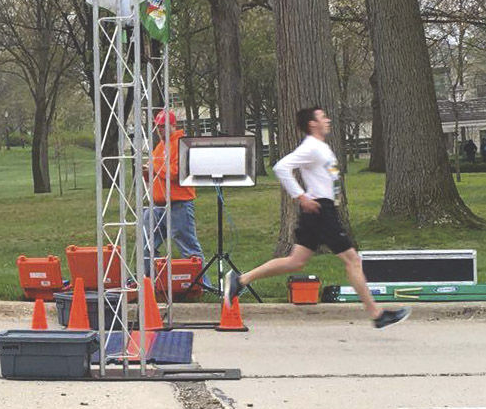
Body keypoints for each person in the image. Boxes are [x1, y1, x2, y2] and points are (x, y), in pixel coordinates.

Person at [223, 107, 410, 329]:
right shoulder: (311, 147)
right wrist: (300, 196)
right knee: (353, 260)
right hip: (321, 210)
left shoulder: (320, 147)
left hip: (321, 209)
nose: (327, 120)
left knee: (295, 262)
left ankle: (240, 279)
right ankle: (377, 315)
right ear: (313, 124)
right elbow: (281, 167)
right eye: (323, 117)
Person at [142, 110, 209, 287]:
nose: (161, 130)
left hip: (179, 204)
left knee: (188, 247)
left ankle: (203, 285)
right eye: (158, 127)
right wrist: (146, 172)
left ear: (174, 125)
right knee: (146, 245)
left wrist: (153, 165)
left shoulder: (181, 144)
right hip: (157, 205)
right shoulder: (159, 147)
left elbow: (175, 173)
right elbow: (156, 174)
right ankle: (151, 283)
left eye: (164, 126)